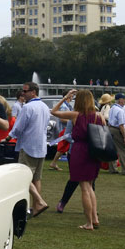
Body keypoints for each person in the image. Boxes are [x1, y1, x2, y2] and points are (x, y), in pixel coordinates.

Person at [51, 90, 101, 230]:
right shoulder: (99, 116)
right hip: (94, 152)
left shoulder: (75, 115)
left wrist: (65, 98)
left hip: (80, 151)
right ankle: (95, 218)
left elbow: (54, 112)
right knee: (90, 186)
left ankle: (89, 223)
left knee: (84, 188)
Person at [9, 82, 51, 216]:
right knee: (36, 178)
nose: (23, 93)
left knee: (25, 177)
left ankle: (39, 201)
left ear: (33, 92)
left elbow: (18, 127)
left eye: (25, 91)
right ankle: (35, 206)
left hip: (28, 146)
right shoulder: (45, 107)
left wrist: (9, 137)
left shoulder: (27, 107)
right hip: (41, 146)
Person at [106, 93, 125, 175]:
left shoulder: (112, 108)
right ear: (120, 100)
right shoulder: (120, 110)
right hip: (117, 130)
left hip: (110, 129)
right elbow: (121, 125)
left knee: (112, 149)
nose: (124, 100)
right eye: (123, 99)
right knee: (123, 150)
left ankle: (112, 168)